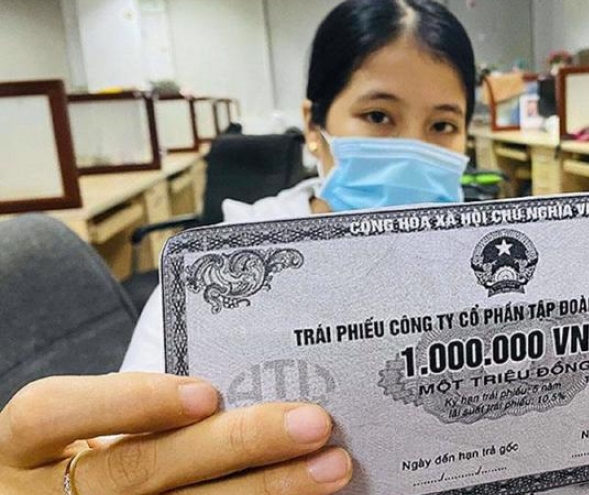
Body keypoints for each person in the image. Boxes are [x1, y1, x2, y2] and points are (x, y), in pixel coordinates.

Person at [0, 0, 475, 493]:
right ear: (313, 126)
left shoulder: (480, 256)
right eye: (378, 116)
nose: (413, 149)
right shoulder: (227, 265)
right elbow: (130, 448)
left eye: (443, 125)